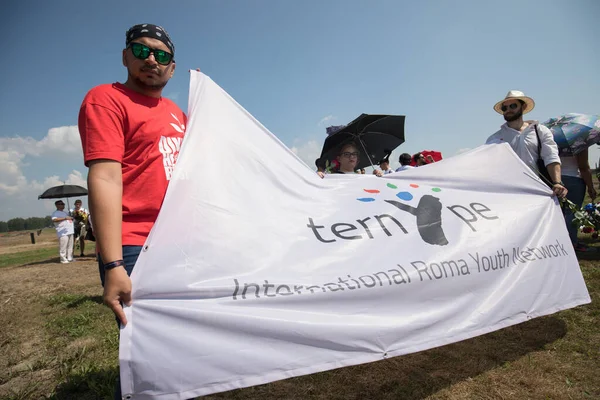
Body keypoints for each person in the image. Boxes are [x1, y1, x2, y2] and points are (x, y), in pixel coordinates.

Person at [78, 23, 186, 397]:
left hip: (180, 240)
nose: (151, 60)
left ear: (172, 68)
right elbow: (105, 178)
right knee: (149, 354)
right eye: (141, 51)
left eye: (162, 55)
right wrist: (112, 266)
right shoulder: (106, 98)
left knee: (183, 345)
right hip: (134, 246)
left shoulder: (176, 112)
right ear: (126, 57)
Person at [486, 90, 567, 199]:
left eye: (513, 106)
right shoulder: (495, 139)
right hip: (509, 193)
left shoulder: (540, 131)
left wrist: (557, 182)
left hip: (539, 189)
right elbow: (490, 167)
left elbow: (551, 157)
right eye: (505, 108)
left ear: (523, 107)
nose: (508, 110)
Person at [561, 149, 597, 251]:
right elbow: (583, 167)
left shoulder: (552, 138)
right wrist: (590, 187)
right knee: (572, 213)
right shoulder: (579, 141)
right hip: (574, 178)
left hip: (554, 179)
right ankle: (571, 242)